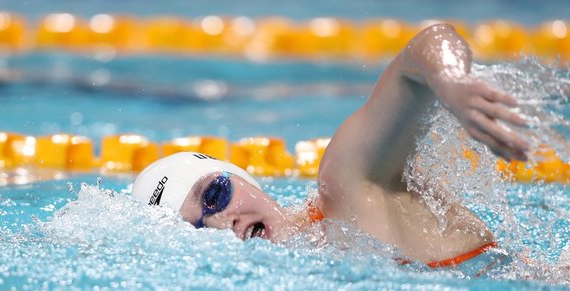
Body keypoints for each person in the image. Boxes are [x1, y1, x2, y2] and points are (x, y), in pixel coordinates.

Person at [131, 24, 530, 267]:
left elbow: (427, 45)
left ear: (242, 177)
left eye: (215, 194)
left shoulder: (347, 189)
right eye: (198, 230)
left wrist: (452, 81)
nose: (222, 224)